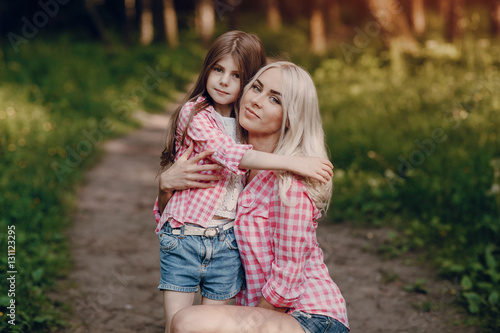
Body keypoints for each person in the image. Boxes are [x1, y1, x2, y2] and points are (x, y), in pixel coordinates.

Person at [154, 32, 334, 333]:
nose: (257, 102)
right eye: (258, 89)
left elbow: (286, 283)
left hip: (308, 318)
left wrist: (247, 325)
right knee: (183, 323)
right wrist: (164, 187)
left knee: (187, 323)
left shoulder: (291, 184)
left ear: (289, 117)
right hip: (253, 305)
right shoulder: (228, 151)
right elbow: (178, 210)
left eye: (275, 99)